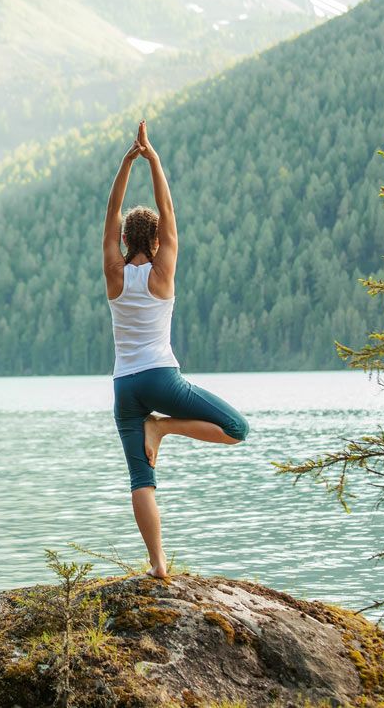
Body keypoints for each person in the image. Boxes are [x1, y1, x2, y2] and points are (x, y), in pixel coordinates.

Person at [102, 120, 250, 580]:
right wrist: (155, 159)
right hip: (162, 378)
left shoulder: (114, 273)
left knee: (140, 480)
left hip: (125, 386)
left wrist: (127, 162)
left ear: (126, 242)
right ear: (159, 240)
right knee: (236, 428)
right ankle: (162, 430)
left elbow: (112, 213)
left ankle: (158, 565)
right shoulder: (163, 270)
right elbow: (167, 208)